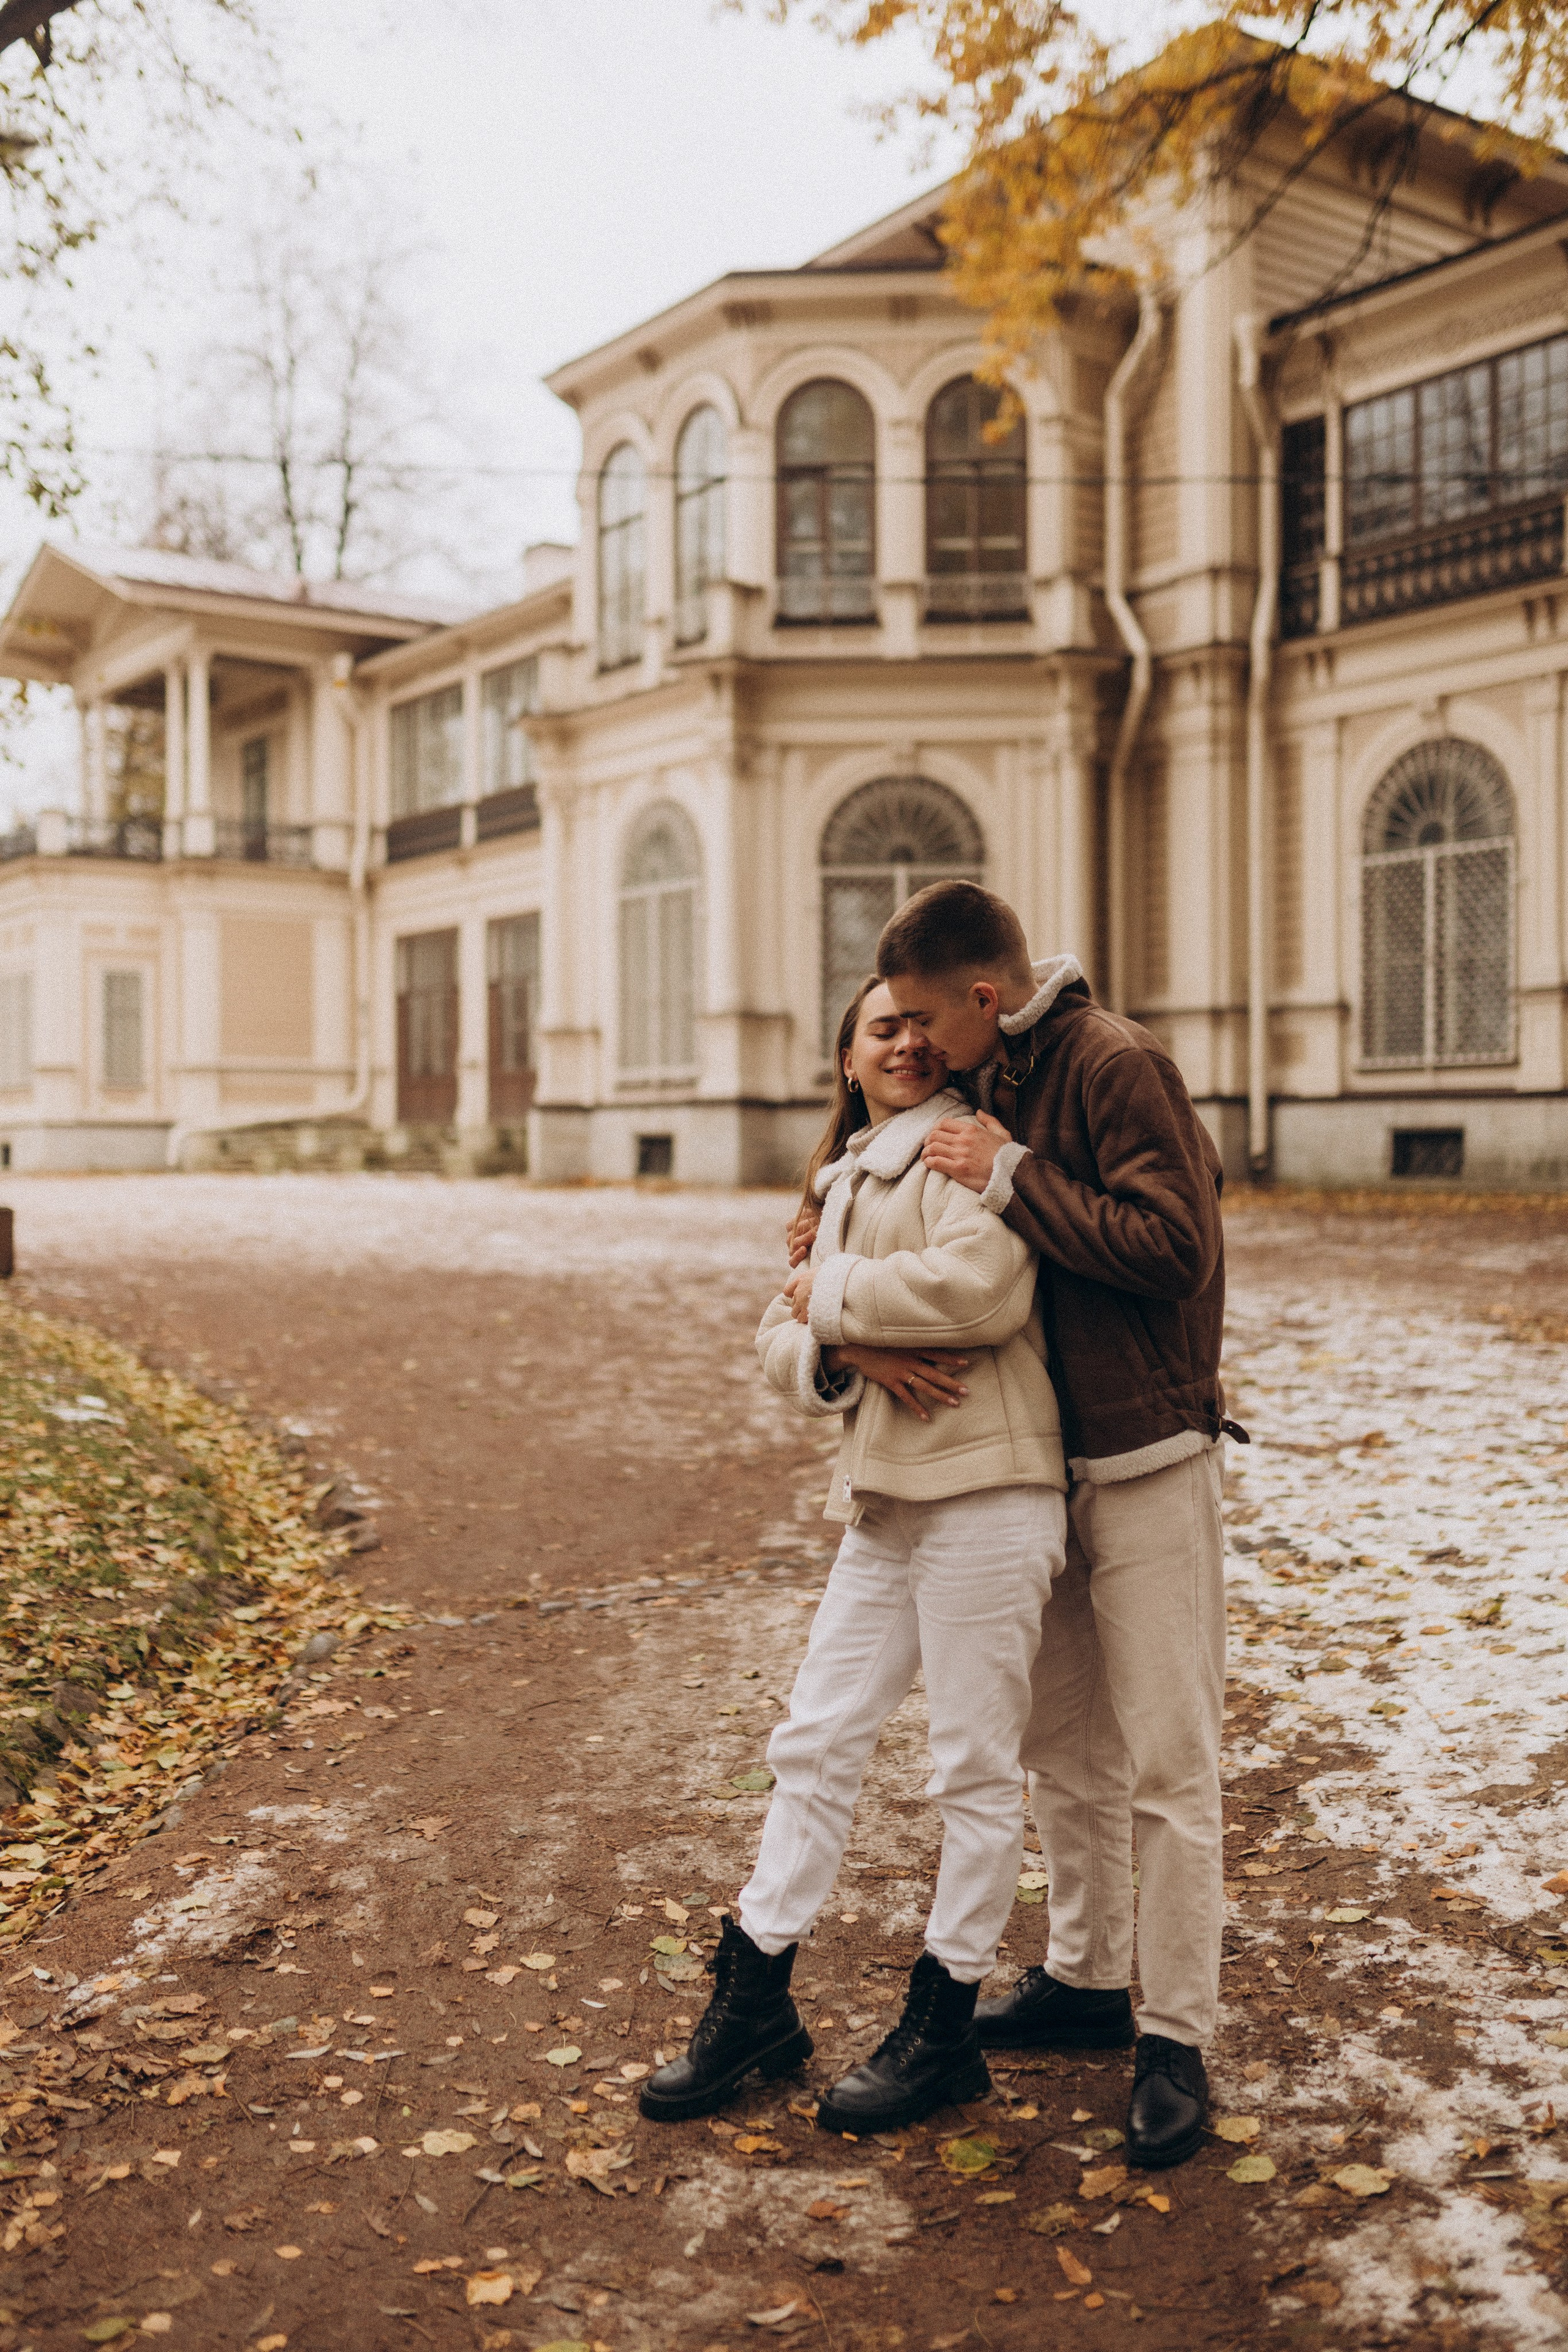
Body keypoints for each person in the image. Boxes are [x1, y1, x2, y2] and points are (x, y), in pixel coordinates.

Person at [639, 976, 1068, 2136]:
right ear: (848, 1059)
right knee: (815, 1740)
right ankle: (757, 1995)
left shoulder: (966, 1152)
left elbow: (980, 1291)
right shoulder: (842, 1181)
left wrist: (829, 1303)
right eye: (884, 1028)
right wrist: (851, 1352)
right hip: (886, 1500)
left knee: (972, 1770)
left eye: (925, 1025)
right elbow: (778, 1334)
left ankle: (944, 2027)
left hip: (987, 1490)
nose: (910, 1042)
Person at [854, 879, 1232, 2169]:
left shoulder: (1113, 1064)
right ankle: (1082, 1979)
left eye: (920, 1017)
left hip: (1144, 1455)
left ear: (979, 995)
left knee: (1167, 1760)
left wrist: (1013, 1173)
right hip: (1036, 1472)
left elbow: (1171, 1246)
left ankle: (1174, 2037)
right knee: (1059, 1743)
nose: (910, 1045)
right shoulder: (995, 1072)